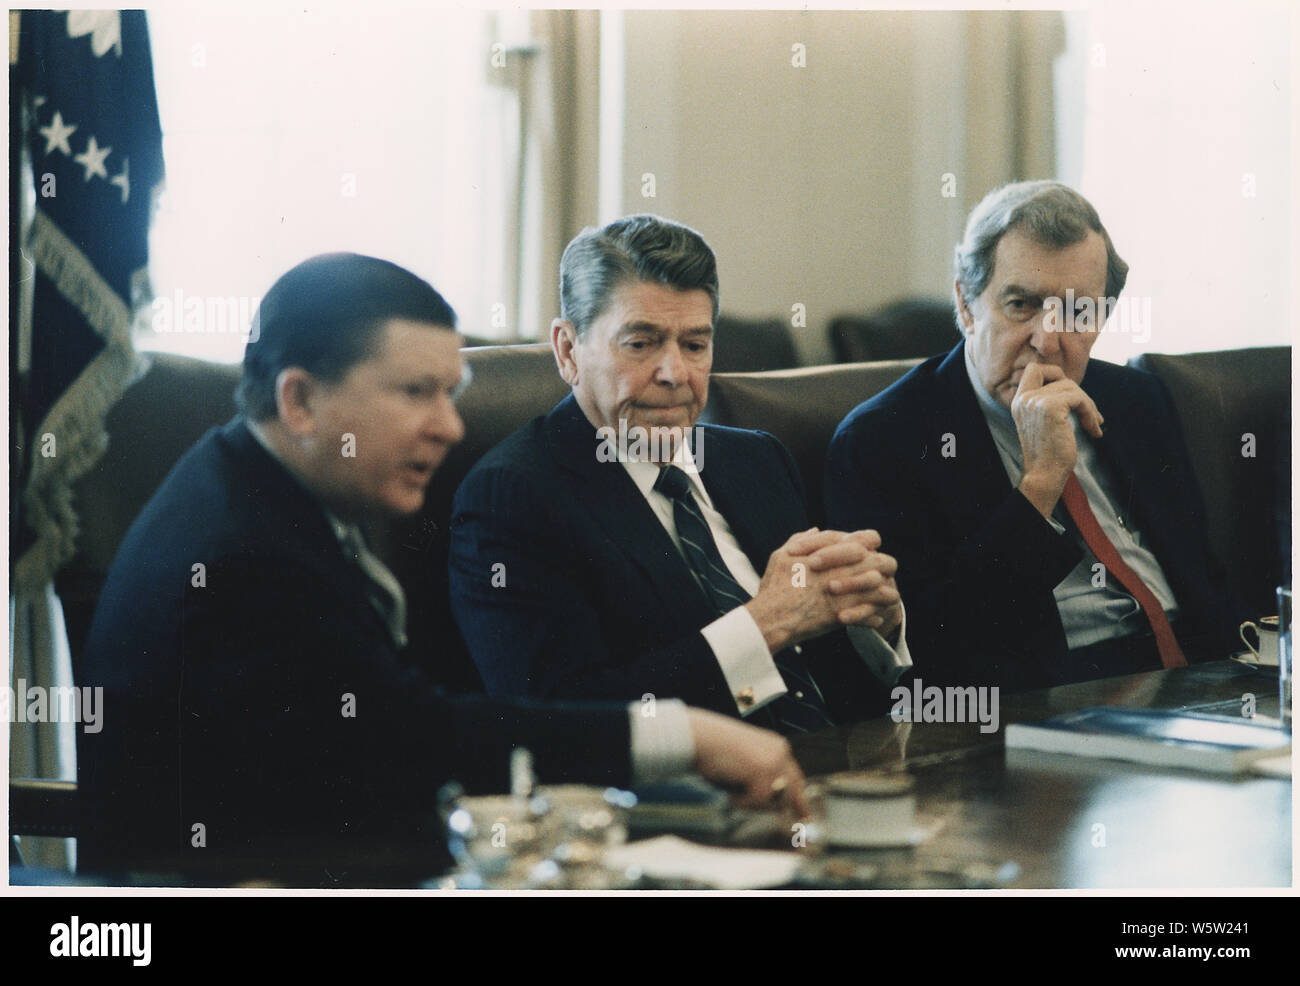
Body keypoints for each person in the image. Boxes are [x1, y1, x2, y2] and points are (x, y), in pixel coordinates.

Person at [76, 253, 807, 886]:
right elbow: (420, 740)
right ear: (299, 400)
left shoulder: (246, 483)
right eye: (415, 393)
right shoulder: (243, 553)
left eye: (450, 393)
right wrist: (689, 735)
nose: (451, 426)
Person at [449, 215, 909, 734]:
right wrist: (764, 624)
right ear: (567, 350)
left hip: (846, 777)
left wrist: (874, 624)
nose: (674, 374)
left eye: (694, 345)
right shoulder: (514, 496)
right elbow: (557, 721)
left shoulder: (756, 460)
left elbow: (825, 675)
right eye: (640, 343)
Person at [825, 181, 1244, 692]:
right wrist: (1041, 483)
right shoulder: (884, 439)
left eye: (1076, 313)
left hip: (1200, 676)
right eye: (1021, 304)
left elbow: (1205, 583)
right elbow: (936, 652)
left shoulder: (1137, 399)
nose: (1047, 340)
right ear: (965, 305)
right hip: (1048, 700)